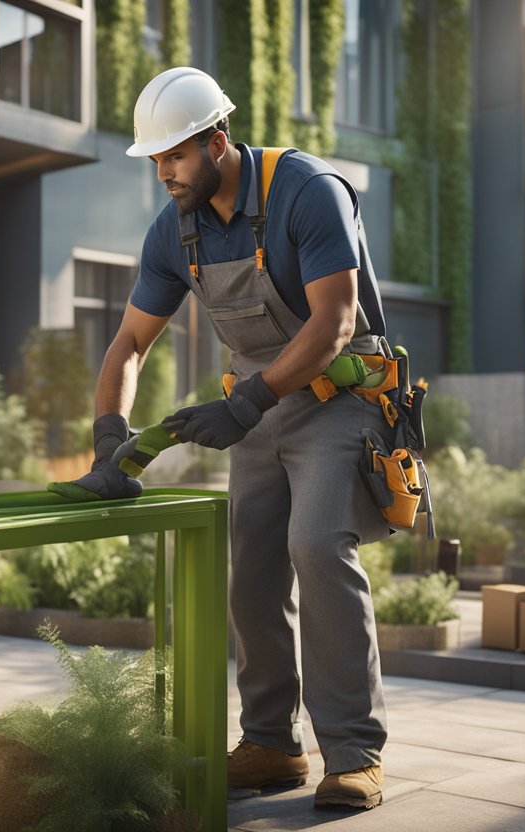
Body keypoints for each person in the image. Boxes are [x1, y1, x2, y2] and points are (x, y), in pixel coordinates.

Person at [56, 66, 395, 810]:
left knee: (316, 545)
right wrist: (109, 437)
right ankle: (273, 745)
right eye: (155, 159)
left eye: (174, 155)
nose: (163, 172)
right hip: (258, 406)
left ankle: (354, 752)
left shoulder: (306, 191)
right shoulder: (175, 230)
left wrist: (246, 403)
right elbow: (128, 347)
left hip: (338, 394)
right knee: (255, 572)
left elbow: (334, 321)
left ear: (217, 139)